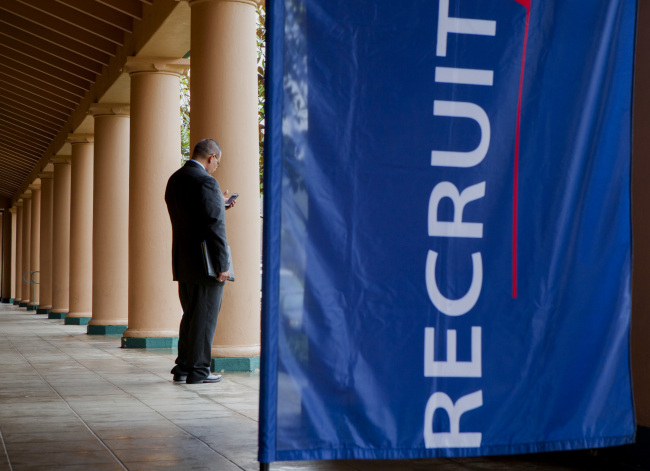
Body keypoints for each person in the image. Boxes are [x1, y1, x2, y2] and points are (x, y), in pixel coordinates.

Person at [165, 138, 235, 384]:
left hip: (183, 261)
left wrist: (219, 203)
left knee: (191, 315)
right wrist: (223, 264)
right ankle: (199, 371)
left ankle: (183, 367)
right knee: (205, 318)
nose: (216, 167)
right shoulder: (207, 181)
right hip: (206, 263)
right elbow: (214, 226)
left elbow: (192, 216)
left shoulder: (175, 179)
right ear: (212, 157)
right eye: (218, 162)